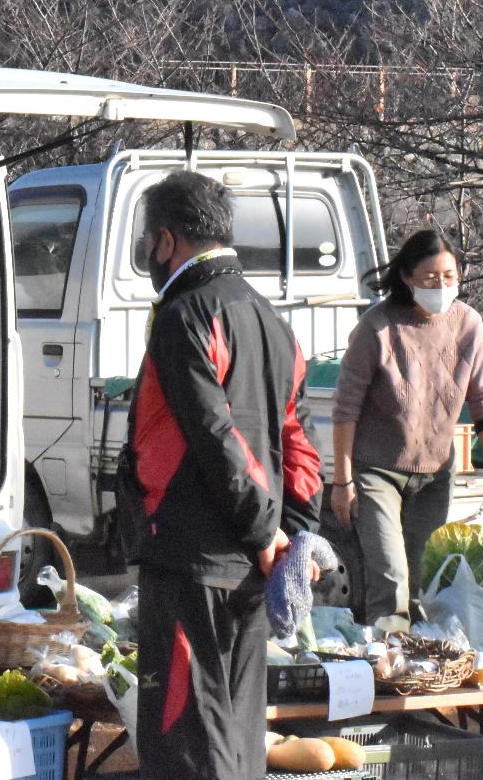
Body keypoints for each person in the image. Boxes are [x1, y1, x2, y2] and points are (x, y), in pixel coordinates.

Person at [119, 170, 322, 780]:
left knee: (188, 742)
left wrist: (271, 534)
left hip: (194, 558)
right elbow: (298, 441)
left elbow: (216, 436)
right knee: (235, 735)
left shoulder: (185, 314)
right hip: (246, 563)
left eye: (148, 243)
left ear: (165, 240)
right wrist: (296, 531)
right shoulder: (272, 320)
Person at [329, 229, 483, 624]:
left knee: (423, 577)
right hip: (377, 470)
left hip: (435, 472)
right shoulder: (376, 327)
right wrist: (343, 482)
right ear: (407, 277)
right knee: (390, 577)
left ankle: (421, 666)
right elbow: (346, 410)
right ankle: (386, 665)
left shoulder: (468, 325)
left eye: (449, 277)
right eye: (430, 278)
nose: (441, 286)